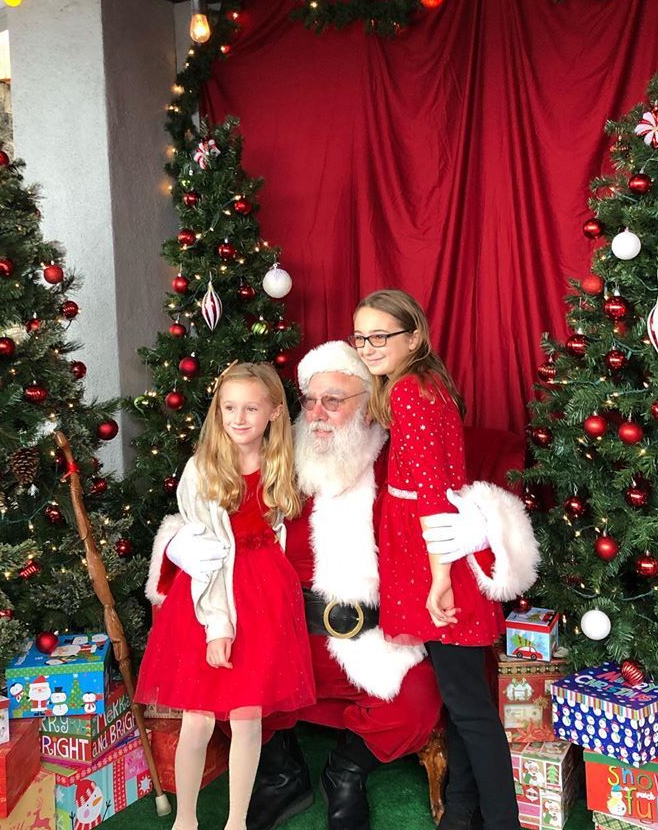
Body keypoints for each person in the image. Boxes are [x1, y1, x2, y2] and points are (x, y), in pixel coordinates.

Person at [151, 342, 537, 830]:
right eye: (310, 399)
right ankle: (279, 773)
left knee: (416, 705)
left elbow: (449, 494)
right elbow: (209, 513)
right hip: (278, 624)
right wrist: (176, 546)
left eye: (334, 400)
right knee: (233, 678)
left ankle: (347, 770)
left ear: (368, 401)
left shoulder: (393, 459)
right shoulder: (278, 454)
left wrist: (483, 525)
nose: (318, 413)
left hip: (367, 634)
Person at [351, 289, 529, 830]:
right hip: (431, 547)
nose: (369, 346)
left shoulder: (410, 391)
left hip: (434, 555)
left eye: (381, 335)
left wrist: (440, 580)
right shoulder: (422, 385)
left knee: (470, 708)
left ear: (413, 337)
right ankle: (462, 812)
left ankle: (502, 821)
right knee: (461, 697)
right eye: (361, 336)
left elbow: (431, 492)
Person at [136, 362, 315, 830]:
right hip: (210, 595)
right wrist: (218, 627)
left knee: (247, 717)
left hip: (266, 597)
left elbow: (276, 532)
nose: (238, 418)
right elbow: (209, 559)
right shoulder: (202, 471)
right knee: (197, 717)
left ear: (275, 412)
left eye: (251, 408)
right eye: (229, 408)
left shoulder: (281, 465)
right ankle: (187, 820)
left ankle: (237, 821)